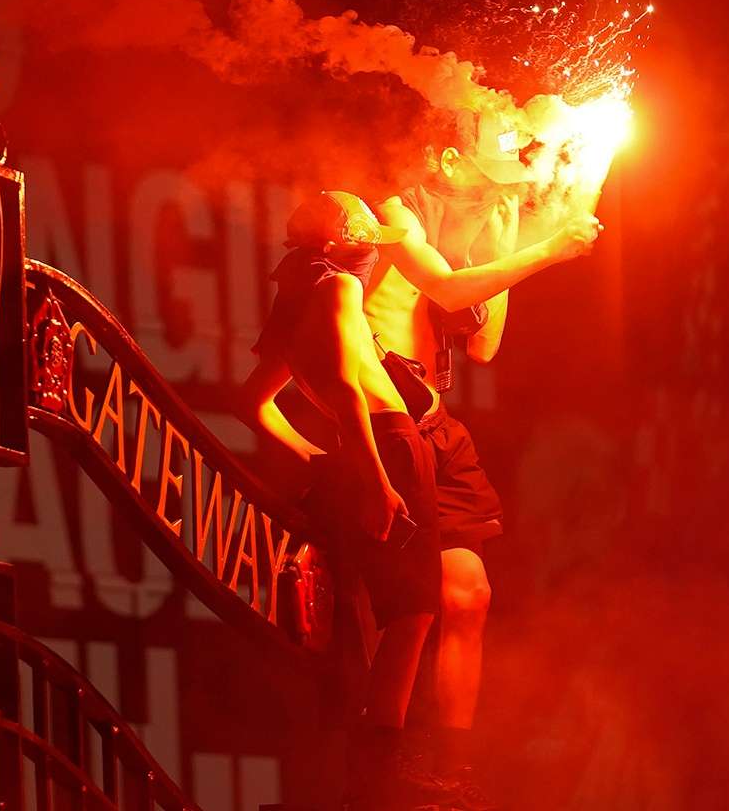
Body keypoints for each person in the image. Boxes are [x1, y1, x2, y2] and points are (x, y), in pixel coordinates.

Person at [240, 191, 593, 808]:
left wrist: (319, 460)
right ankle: (381, 765)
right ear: (335, 239)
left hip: (390, 445)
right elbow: (351, 389)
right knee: (411, 613)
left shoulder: (295, 292)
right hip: (395, 445)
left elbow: (252, 401)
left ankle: (393, 763)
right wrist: (373, 477)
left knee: (420, 608)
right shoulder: (340, 288)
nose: (376, 234)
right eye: (362, 225)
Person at [363, 109, 601, 808]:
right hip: (381, 428)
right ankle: (381, 756)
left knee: (470, 595)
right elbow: (444, 290)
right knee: (405, 609)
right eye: (495, 152)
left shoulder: (479, 221)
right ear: (447, 160)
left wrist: (508, 241)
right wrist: (549, 250)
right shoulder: (393, 214)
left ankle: (451, 768)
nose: (514, 166)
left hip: (436, 425)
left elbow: (482, 346)